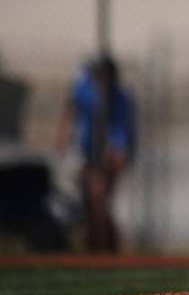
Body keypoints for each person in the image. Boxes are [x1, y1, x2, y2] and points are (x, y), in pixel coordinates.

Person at [56, 55, 136, 252]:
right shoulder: (84, 90)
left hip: (108, 156)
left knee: (99, 200)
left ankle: (106, 247)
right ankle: (94, 244)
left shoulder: (120, 98)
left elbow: (121, 130)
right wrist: (63, 137)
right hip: (87, 153)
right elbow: (72, 111)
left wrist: (118, 152)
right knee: (90, 203)